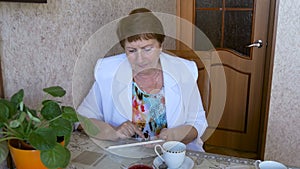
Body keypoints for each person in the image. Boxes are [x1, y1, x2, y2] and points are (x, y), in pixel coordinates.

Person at [77, 8, 208, 151]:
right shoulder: (108, 73)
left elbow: (198, 122)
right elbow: (81, 120)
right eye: (132, 51)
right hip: (124, 157)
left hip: (175, 155)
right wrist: (113, 132)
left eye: (147, 49)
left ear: (160, 46)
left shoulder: (183, 71)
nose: (140, 59)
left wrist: (174, 135)